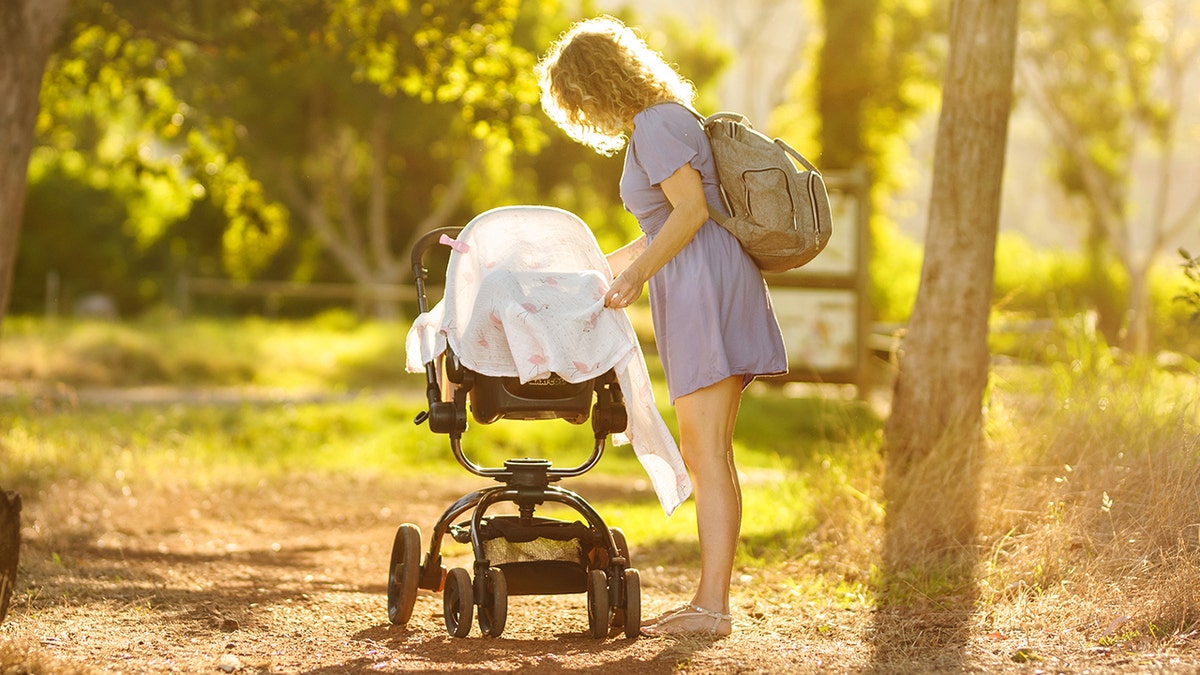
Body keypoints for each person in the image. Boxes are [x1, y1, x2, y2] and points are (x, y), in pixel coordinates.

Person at [536, 15, 787, 637]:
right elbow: (663, 226)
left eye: (578, 99)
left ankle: (713, 608)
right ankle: (712, 602)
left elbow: (692, 212)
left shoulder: (654, 124)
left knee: (705, 454)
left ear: (595, 83)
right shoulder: (665, 119)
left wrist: (638, 275)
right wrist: (587, 271)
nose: (583, 113)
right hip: (703, 280)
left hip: (703, 288)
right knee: (712, 454)